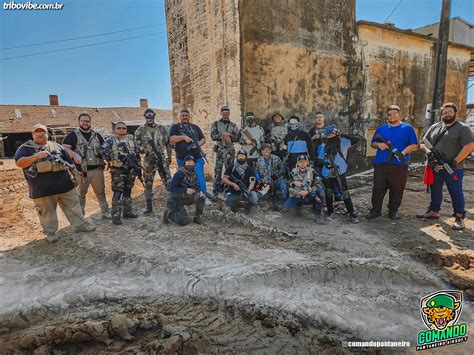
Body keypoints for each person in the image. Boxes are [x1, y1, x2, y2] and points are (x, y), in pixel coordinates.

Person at [14, 124, 96, 242]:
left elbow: (69, 162)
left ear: (47, 133)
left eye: (43, 132)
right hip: (42, 189)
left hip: (65, 186)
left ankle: (81, 225)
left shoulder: (56, 146)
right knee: (47, 212)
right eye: (37, 132)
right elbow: (19, 162)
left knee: (74, 205)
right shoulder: (25, 147)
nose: (40, 134)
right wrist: (36, 157)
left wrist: (76, 173)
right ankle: (51, 233)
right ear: (32, 134)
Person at [417, 103, 474, 230]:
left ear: (455, 113)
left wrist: (455, 162)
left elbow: (469, 145)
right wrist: (428, 153)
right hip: (435, 166)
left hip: (453, 168)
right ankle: (434, 211)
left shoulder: (462, 128)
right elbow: (423, 143)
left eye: (449, 112)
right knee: (435, 190)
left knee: (455, 192)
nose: (447, 114)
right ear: (441, 114)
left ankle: (459, 217)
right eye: (444, 112)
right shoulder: (434, 127)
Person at [367, 105, 418, 220]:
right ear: (387, 116)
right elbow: (373, 143)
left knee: (397, 188)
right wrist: (379, 145)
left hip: (399, 164)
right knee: (378, 187)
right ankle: (375, 210)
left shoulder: (408, 128)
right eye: (389, 114)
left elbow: (414, 145)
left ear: (400, 115)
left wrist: (403, 153)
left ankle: (393, 210)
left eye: (395, 113)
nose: (392, 116)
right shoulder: (381, 129)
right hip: (381, 163)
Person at [62, 113, 110, 219]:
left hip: (97, 169)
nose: (85, 123)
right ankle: (80, 218)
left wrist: (106, 152)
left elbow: (105, 146)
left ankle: (105, 212)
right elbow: (64, 148)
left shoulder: (97, 135)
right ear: (79, 122)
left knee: (101, 192)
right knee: (80, 195)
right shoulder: (72, 135)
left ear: (90, 122)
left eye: (87, 121)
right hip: (81, 171)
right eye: (83, 121)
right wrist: (74, 154)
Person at [317, 125, 361, 223]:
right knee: (328, 193)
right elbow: (319, 160)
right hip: (327, 173)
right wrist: (326, 164)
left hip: (340, 172)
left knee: (344, 192)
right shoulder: (325, 146)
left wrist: (342, 134)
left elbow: (357, 139)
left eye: (332, 133)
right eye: (328, 134)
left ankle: (351, 213)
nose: (330, 136)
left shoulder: (344, 142)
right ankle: (329, 212)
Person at [101, 122, 140, 225]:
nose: (122, 130)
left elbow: (136, 153)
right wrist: (115, 157)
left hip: (130, 169)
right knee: (118, 192)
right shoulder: (110, 140)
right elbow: (102, 153)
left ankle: (127, 212)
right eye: (119, 128)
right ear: (115, 129)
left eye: (124, 128)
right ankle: (115, 216)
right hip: (118, 170)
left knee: (128, 191)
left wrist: (137, 165)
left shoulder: (130, 140)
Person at [134, 108, 172, 214]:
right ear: (145, 116)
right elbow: (136, 143)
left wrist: (169, 157)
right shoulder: (140, 130)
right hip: (149, 161)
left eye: (151, 115)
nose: (149, 117)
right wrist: (144, 150)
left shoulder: (161, 128)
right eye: (147, 115)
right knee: (148, 183)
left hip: (161, 159)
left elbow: (168, 143)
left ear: (154, 116)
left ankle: (173, 204)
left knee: (168, 181)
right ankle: (149, 207)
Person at [169, 109, 207, 193]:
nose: (185, 117)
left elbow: (203, 139)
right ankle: (188, 195)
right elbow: (171, 139)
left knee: (200, 176)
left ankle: (203, 196)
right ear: (180, 117)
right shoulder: (175, 127)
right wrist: (183, 137)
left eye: (186, 115)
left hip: (197, 157)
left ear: (189, 116)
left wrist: (198, 144)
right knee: (183, 178)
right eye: (183, 116)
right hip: (182, 160)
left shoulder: (195, 127)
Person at [309, 112, 343, 202]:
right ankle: (324, 197)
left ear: (324, 118)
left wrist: (320, 136)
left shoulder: (329, 128)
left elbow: (337, 135)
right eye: (317, 117)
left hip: (329, 156)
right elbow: (309, 142)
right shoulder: (312, 130)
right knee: (321, 177)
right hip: (317, 157)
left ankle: (338, 194)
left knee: (332, 175)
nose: (319, 119)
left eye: (320, 117)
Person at [163, 155, 205, 226]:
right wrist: (185, 190)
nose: (190, 165)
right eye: (188, 163)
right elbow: (172, 188)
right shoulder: (179, 174)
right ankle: (169, 214)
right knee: (184, 222)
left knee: (201, 197)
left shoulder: (194, 174)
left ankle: (197, 217)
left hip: (185, 197)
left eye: (192, 163)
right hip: (175, 199)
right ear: (184, 164)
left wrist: (199, 191)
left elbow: (196, 185)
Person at [210, 105, 240, 195]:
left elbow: (237, 138)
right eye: (224, 112)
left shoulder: (233, 125)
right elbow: (213, 136)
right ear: (221, 113)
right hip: (220, 150)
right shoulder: (216, 124)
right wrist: (222, 135)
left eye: (227, 111)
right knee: (218, 170)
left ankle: (228, 190)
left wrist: (229, 135)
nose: (225, 113)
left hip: (230, 151)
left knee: (229, 170)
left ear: (229, 113)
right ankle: (216, 190)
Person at [287, 154, 324, 224]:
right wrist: (293, 182)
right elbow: (287, 182)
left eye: (304, 161)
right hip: (297, 194)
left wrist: (308, 191)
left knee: (321, 192)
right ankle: (298, 207)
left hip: (309, 194)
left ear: (307, 162)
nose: (302, 164)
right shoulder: (293, 172)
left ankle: (318, 214)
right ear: (297, 163)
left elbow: (319, 183)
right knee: (287, 207)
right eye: (300, 162)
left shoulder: (312, 171)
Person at [254, 143, 289, 210]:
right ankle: (268, 203)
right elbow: (256, 171)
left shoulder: (276, 158)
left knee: (284, 186)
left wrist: (277, 175)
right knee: (257, 195)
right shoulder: (259, 160)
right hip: (265, 182)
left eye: (268, 149)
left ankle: (283, 204)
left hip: (277, 180)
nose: (266, 151)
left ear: (270, 150)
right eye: (264, 150)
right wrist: (259, 181)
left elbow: (283, 169)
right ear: (262, 151)